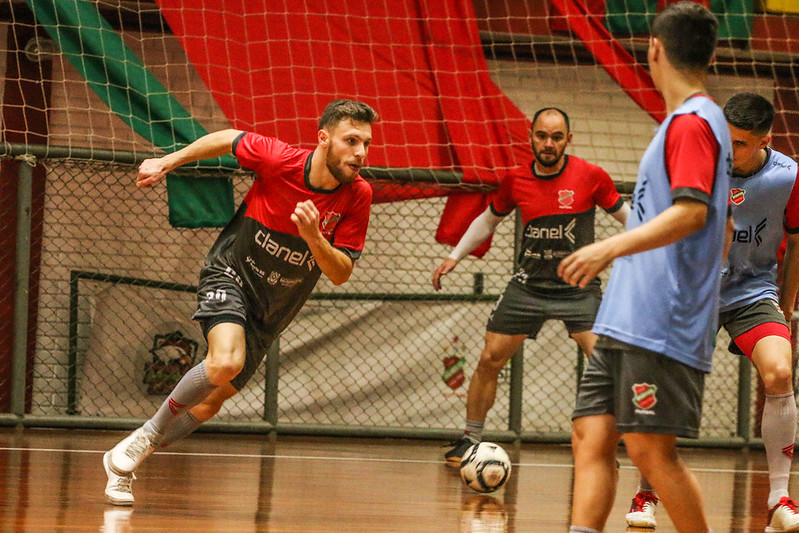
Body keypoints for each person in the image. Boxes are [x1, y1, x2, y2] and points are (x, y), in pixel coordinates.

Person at [103, 99, 378, 506]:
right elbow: (229, 139)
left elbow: (340, 272)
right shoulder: (280, 160)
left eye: (366, 143)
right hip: (230, 273)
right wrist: (168, 161)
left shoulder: (358, 195)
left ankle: (124, 463)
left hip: (273, 310)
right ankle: (146, 435)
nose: (360, 152)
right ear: (324, 139)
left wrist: (315, 238)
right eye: (351, 140)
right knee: (225, 362)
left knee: (210, 403)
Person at [557, 3, 732, 532]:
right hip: (625, 317)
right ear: (710, 55)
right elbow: (721, 226)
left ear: (654, 49)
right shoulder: (683, 123)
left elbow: (692, 212)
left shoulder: (694, 123)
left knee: (651, 451)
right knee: (591, 436)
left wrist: (608, 248)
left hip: (659, 321)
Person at [625, 92, 799, 531]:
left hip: (752, 293)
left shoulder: (789, 177)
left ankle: (779, 500)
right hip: (693, 293)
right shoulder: (697, 165)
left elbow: (797, 241)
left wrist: (785, 307)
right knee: (666, 383)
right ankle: (646, 493)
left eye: (739, 143)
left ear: (765, 141)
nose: (728, 149)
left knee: (780, 372)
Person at [433, 107, 629, 465]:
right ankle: (469, 440)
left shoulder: (591, 176)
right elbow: (488, 220)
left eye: (557, 137)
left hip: (578, 288)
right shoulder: (516, 180)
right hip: (528, 287)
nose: (548, 143)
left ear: (568, 139)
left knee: (605, 364)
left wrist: (656, 250)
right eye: (542, 136)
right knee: (489, 358)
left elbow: (629, 220)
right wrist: (455, 256)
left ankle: (603, 448)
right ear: (531, 137)